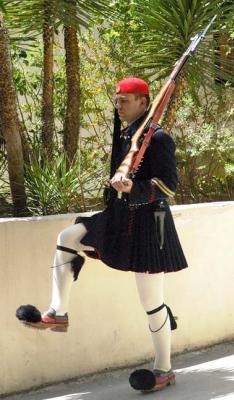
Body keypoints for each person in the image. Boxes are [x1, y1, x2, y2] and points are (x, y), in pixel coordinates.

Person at [16, 77, 188, 393]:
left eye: (125, 100)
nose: (118, 105)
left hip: (153, 224)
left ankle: (163, 368)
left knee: (151, 302)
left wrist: (134, 188)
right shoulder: (126, 135)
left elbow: (167, 186)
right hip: (119, 217)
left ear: (143, 102)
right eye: (118, 99)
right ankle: (58, 313)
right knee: (68, 237)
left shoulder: (159, 139)